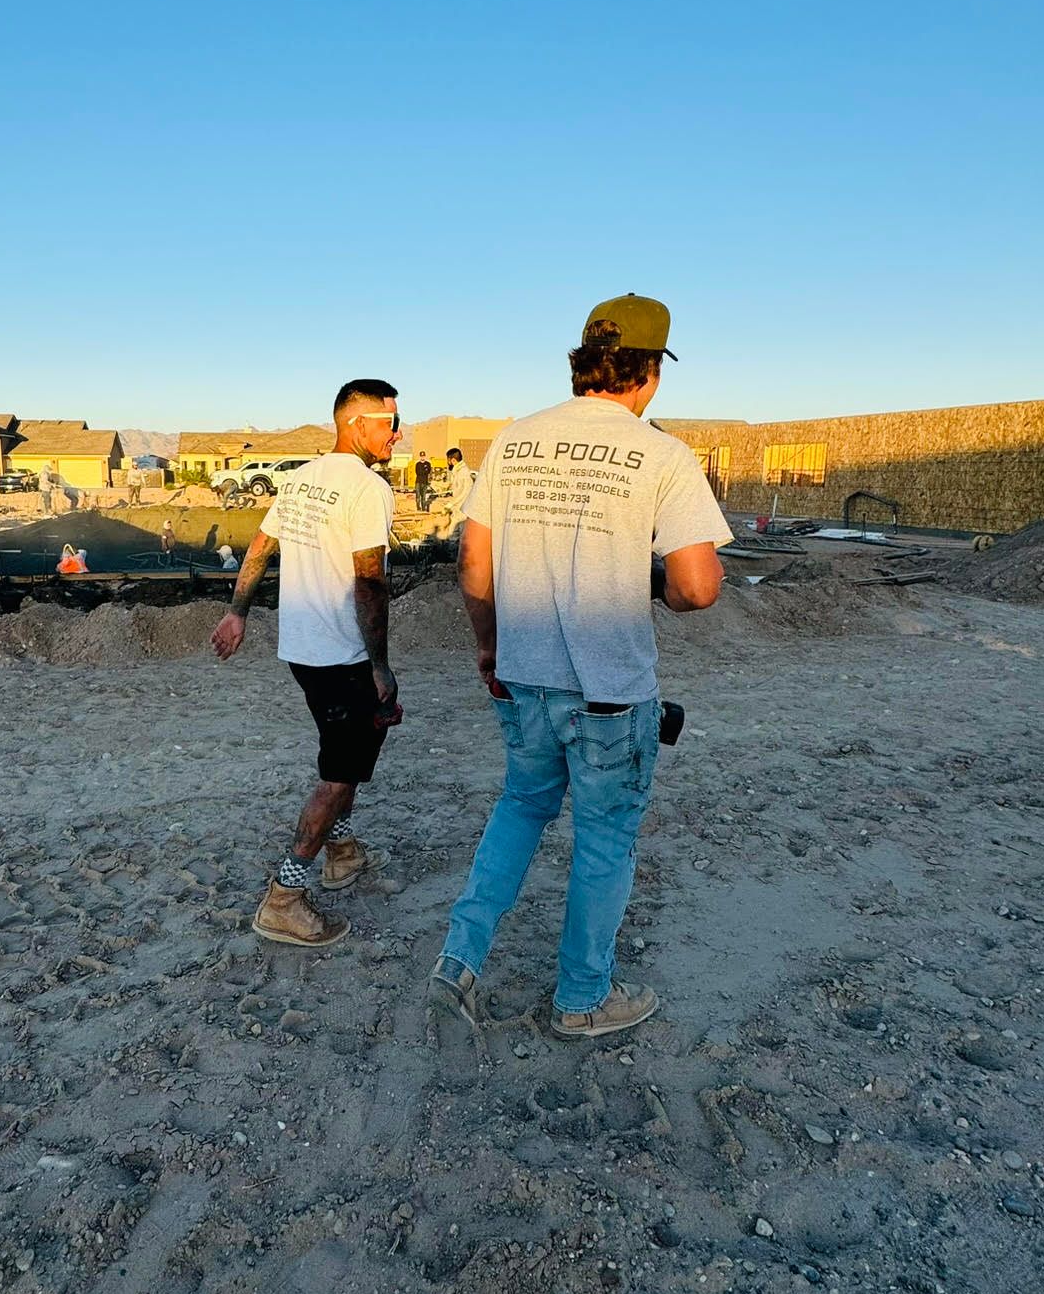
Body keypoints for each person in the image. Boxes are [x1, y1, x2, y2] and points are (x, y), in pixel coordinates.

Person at [428, 295, 730, 1039]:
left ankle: (458, 962)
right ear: (651, 371)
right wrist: (642, 578)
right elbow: (697, 586)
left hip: (523, 676)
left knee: (520, 808)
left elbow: (474, 559)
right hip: (611, 695)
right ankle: (582, 997)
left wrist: (488, 644)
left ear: (583, 360)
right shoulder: (662, 455)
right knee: (604, 838)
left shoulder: (516, 440)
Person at [212, 379, 403, 947]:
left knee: (351, 751)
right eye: (388, 421)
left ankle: (341, 853)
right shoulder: (367, 489)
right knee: (339, 771)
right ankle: (285, 896)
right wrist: (381, 665)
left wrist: (237, 613)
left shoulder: (301, 479)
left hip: (302, 649)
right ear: (354, 424)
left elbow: (260, 548)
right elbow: (370, 583)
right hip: (342, 653)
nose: (398, 432)